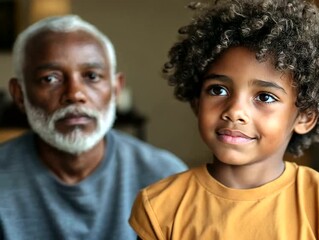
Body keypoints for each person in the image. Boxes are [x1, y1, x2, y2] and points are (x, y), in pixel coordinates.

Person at [129, 0, 319, 239]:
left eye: (264, 96)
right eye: (218, 90)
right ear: (197, 101)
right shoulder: (160, 207)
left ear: (305, 118)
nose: (235, 111)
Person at [0, 15, 187, 240]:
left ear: (116, 89)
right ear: (19, 95)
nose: (74, 94)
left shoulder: (164, 177)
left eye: (91, 76)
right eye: (50, 79)